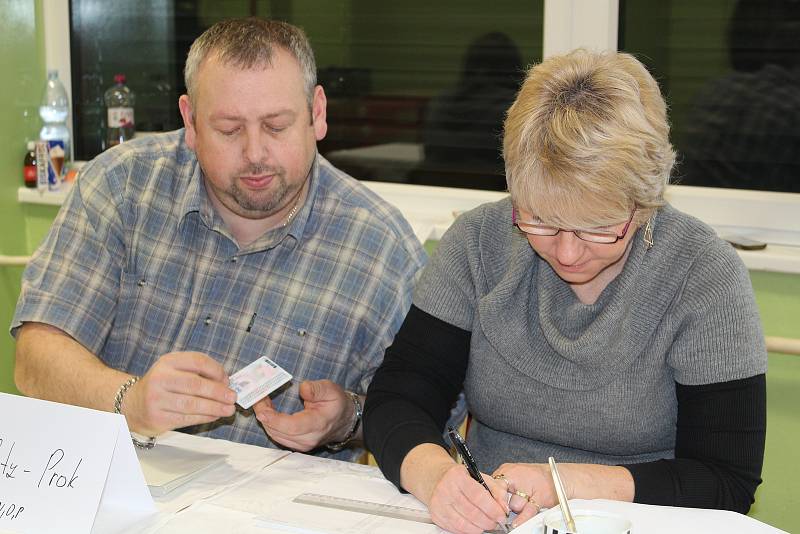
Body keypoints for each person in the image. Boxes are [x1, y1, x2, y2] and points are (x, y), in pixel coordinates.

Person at [364, 49, 767, 533]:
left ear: (644, 203)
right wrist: (438, 480)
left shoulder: (703, 275)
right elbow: (398, 398)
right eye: (540, 221)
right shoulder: (478, 244)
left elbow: (725, 481)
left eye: (598, 228)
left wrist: (563, 484)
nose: (568, 253)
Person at [11, 17, 426, 461]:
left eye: (277, 126)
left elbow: (423, 416)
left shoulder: (382, 250)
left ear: (317, 113)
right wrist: (129, 401)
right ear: (190, 121)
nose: (255, 154)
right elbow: (34, 360)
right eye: (228, 129)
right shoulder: (123, 184)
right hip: (109, 484)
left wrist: (347, 421)